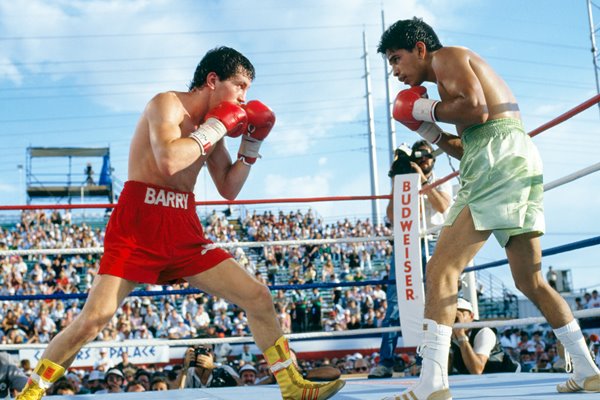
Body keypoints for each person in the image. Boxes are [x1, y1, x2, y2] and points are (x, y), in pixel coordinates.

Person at [16, 46, 344, 400]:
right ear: (213, 79)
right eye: (240, 85)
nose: (244, 97)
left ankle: (291, 385)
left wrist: (251, 145)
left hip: (182, 226)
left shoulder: (212, 127)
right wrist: (217, 127)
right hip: (139, 223)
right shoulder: (166, 104)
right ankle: (31, 393)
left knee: (258, 296)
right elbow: (170, 160)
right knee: (94, 319)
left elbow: (229, 188)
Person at [378, 17, 600, 399]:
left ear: (419, 49)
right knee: (530, 280)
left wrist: (424, 109)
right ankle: (587, 368)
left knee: (442, 268)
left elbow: (476, 110)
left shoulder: (447, 57)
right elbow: (470, 143)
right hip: (510, 157)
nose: (395, 71)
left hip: (497, 160)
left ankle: (432, 383)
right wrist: (429, 131)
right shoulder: (449, 84)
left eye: (396, 59)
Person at [369, 140, 452, 379]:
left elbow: (443, 205)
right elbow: (393, 216)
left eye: (427, 155)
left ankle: (423, 361)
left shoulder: (441, 179)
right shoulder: (404, 183)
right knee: (394, 301)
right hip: (407, 241)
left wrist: (422, 180)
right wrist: (398, 180)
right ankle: (385, 361)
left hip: (432, 242)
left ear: (433, 159)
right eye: (419, 157)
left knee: (431, 301)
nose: (424, 160)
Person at [449, 298, 518, 375]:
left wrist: (461, 336)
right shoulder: (449, 334)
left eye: (460, 314)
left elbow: (476, 370)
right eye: (451, 315)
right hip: (480, 380)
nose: (457, 319)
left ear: (471, 316)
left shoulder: (484, 332)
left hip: (507, 377)